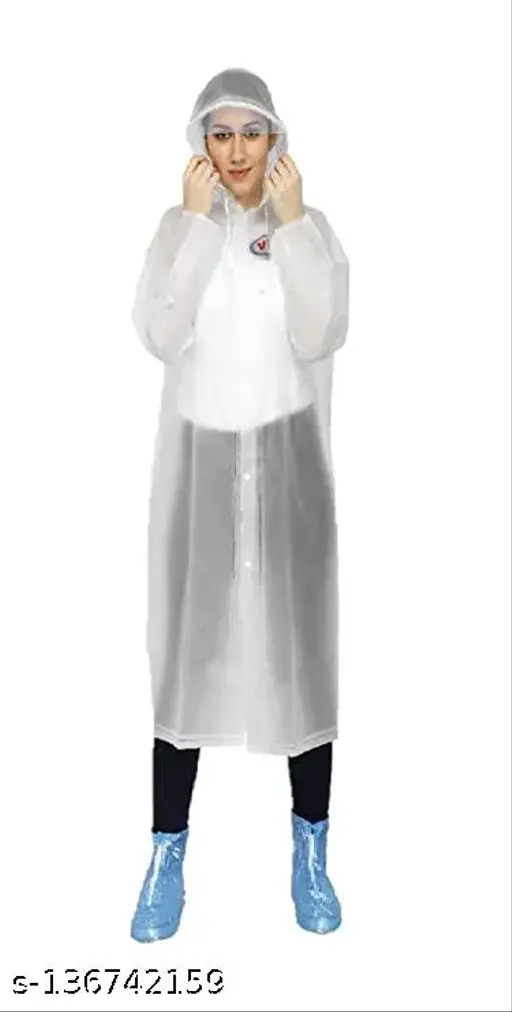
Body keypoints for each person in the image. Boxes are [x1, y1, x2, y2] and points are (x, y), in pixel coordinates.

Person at [129, 67, 350, 940]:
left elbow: (321, 332)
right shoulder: (176, 226)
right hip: (203, 459)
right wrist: (192, 226)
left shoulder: (309, 227)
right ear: (201, 144)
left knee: (302, 656)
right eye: (219, 134)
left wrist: (292, 230)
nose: (235, 150)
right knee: (186, 654)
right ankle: (166, 857)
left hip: (289, 457)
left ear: (276, 140)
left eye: (250, 132)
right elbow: (159, 333)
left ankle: (311, 855)